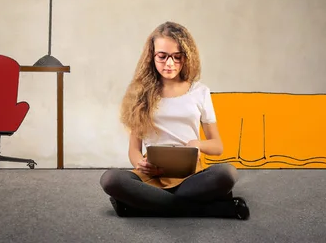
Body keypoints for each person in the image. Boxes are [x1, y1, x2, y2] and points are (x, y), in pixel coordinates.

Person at [99, 21, 250, 220]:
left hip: (190, 177)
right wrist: (140, 163)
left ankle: (143, 206)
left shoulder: (200, 92)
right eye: (162, 57)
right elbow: (134, 149)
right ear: (151, 56)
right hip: (152, 176)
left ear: (186, 57)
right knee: (111, 180)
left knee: (227, 174)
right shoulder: (140, 93)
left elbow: (217, 146)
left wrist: (198, 144)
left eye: (177, 57)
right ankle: (213, 209)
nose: (169, 64)